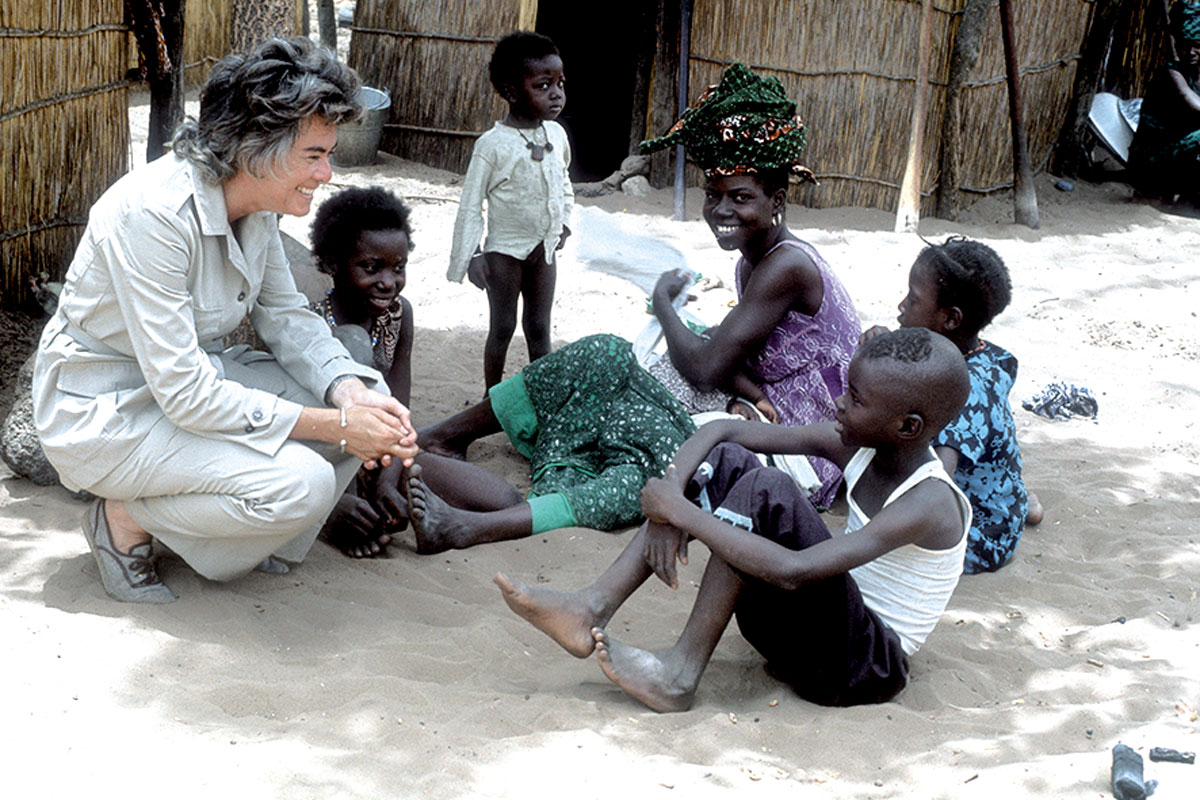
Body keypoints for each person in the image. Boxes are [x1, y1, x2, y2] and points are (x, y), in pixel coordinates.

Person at [32, 37, 417, 603]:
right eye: (314, 156)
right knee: (305, 482)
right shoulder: (153, 215)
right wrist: (334, 427)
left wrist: (346, 394)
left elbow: (288, 317)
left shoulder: (255, 200)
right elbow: (185, 392)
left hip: (184, 389)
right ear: (255, 147)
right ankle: (125, 520)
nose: (327, 174)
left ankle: (248, 537)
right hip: (105, 413)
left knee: (365, 390)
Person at [495, 328, 972, 711]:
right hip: (808, 637)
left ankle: (679, 676)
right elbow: (724, 430)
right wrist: (669, 497)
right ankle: (591, 607)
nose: (839, 404)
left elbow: (797, 571)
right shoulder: (861, 443)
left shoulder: (929, 502)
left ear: (907, 426)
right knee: (729, 466)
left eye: (857, 399)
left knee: (767, 491)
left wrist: (681, 511)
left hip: (861, 670)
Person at [639, 62, 861, 508]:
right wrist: (750, 391)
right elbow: (723, 355)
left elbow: (706, 369)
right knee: (655, 368)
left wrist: (663, 303)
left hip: (810, 442)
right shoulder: (754, 261)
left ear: (777, 200)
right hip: (772, 406)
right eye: (712, 195)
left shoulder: (788, 266)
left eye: (740, 197)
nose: (721, 211)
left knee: (649, 390)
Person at [309, 187, 520, 557]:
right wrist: (334, 501)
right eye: (370, 267)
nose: (388, 282)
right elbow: (305, 429)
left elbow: (398, 411)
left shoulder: (398, 315)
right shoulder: (308, 325)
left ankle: (417, 513)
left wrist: (388, 481)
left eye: (398, 268)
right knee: (353, 514)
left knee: (504, 498)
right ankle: (331, 514)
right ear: (333, 264)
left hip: (382, 450)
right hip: (324, 455)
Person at [406, 333, 695, 553]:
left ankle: (464, 527)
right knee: (605, 350)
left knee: (637, 483)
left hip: (686, 437)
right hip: (655, 399)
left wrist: (662, 301)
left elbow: (707, 366)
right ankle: (445, 437)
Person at [863, 236, 1041, 573]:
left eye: (913, 300)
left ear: (951, 320)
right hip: (997, 503)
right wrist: (885, 350)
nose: (901, 306)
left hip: (980, 538)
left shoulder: (966, 390)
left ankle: (1014, 509)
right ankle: (1020, 505)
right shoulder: (971, 351)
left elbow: (939, 480)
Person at [447, 31, 573, 393]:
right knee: (502, 327)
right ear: (512, 91)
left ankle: (544, 396)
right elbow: (471, 204)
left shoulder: (557, 135)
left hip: (543, 252)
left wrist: (563, 223)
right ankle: (491, 396)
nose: (556, 94)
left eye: (560, 83)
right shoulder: (493, 145)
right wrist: (472, 254)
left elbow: (563, 183)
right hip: (504, 253)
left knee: (538, 328)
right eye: (543, 85)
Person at [1128, 1, 1200, 206]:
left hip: (1179, 159)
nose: (1191, 52)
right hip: (1152, 164)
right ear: (1177, 45)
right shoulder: (1171, 73)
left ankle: (1189, 198)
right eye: (1185, 46)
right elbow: (1191, 101)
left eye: (1197, 45)